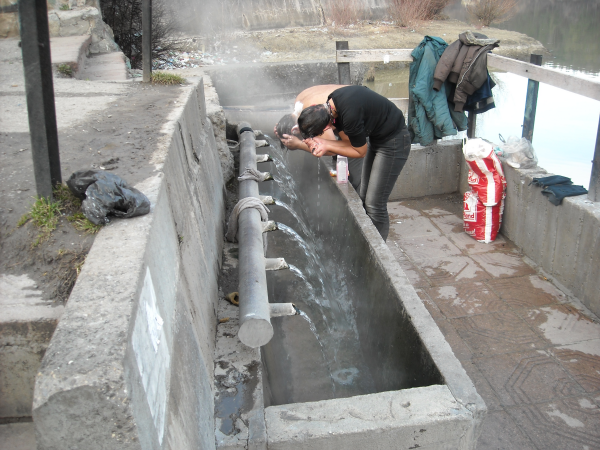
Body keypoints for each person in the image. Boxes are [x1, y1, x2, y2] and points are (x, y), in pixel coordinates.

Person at [297, 85, 410, 241]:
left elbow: (359, 152)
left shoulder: (349, 115)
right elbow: (351, 144)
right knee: (363, 196)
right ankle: (366, 240)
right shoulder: (331, 103)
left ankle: (377, 249)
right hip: (378, 138)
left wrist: (326, 144)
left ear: (327, 126)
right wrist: (312, 135)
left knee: (374, 204)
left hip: (394, 141)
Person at [274, 85, 363, 192]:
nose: (305, 139)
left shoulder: (312, 115)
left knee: (354, 182)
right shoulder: (300, 102)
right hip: (358, 100)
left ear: (294, 130)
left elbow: (331, 149)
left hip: (359, 121)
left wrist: (298, 145)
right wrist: (281, 127)